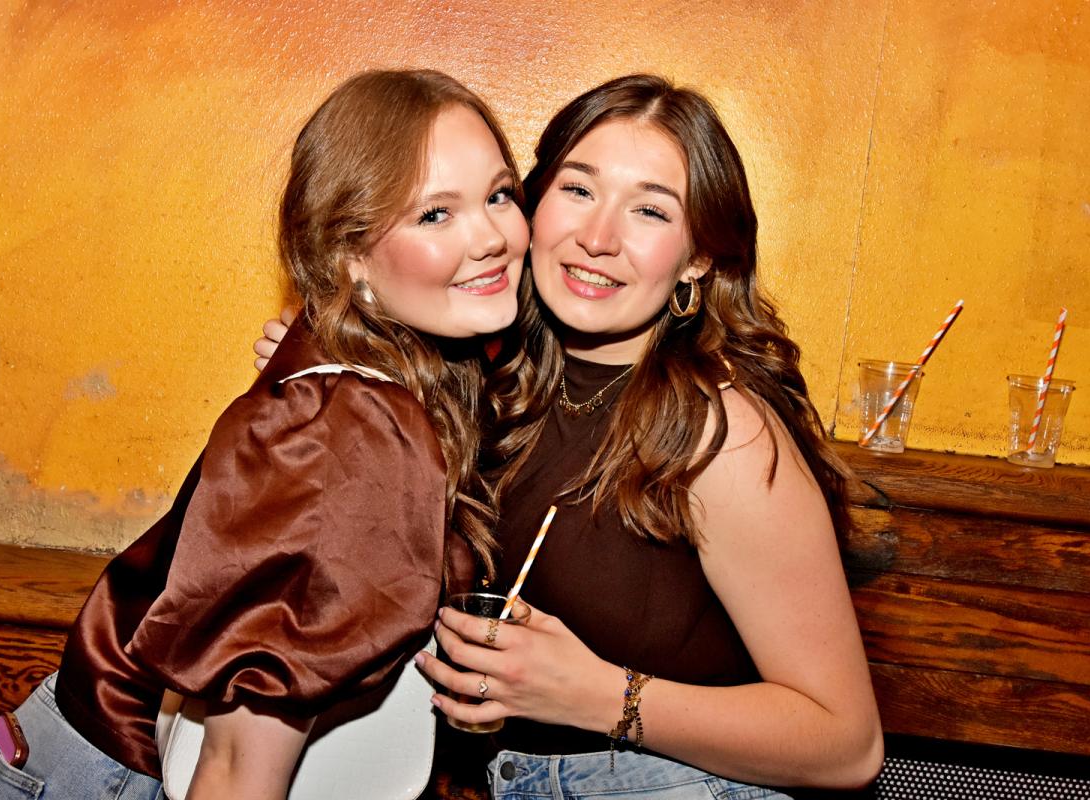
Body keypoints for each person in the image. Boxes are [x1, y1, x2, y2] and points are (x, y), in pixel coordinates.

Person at [253, 75, 883, 798]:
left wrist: (598, 696)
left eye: (650, 210)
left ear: (699, 258)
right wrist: (340, 369)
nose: (598, 238)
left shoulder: (721, 433)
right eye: (578, 190)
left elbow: (848, 744)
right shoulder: (487, 378)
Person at [0, 68, 529, 800]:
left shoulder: (388, 370)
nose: (492, 237)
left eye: (499, 195)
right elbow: (231, 773)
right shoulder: (351, 430)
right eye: (435, 214)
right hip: (105, 778)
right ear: (348, 254)